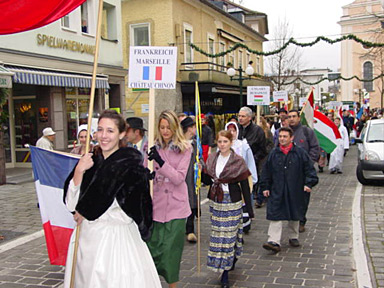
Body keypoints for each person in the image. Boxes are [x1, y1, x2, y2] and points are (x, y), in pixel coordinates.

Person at [63, 110, 161, 288]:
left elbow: (135, 211)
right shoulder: (89, 162)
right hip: (86, 240)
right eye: (100, 130)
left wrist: (89, 211)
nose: (103, 136)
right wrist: (79, 171)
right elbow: (71, 204)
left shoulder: (132, 168)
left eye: (110, 131)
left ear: (122, 134)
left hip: (116, 241)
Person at [146, 110, 192, 288]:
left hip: (176, 207)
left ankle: (173, 285)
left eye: (169, 127)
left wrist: (161, 163)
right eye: (162, 127)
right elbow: (146, 168)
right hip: (156, 206)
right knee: (153, 249)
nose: (165, 131)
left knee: (171, 252)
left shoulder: (185, 148)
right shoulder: (153, 147)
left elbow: (179, 178)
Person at [203, 130, 254, 288]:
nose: (222, 145)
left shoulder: (238, 161)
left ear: (231, 142)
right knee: (218, 235)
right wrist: (199, 170)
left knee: (229, 236)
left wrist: (250, 211)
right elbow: (207, 179)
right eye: (219, 142)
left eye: (225, 141)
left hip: (232, 202)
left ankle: (225, 272)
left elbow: (245, 185)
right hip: (216, 202)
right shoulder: (212, 159)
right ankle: (227, 260)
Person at [260, 127, 318, 253]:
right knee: (275, 213)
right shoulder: (274, 154)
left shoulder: (300, 153)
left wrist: (309, 183)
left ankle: (293, 236)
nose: (282, 139)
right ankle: (273, 240)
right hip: (277, 188)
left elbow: (309, 170)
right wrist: (265, 186)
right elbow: (266, 172)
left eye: (285, 136)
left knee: (294, 212)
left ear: (291, 138)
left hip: (295, 187)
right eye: (280, 136)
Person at [288, 109, 319, 233]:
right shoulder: (284, 132)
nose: (291, 119)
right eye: (289, 116)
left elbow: (315, 147)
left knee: (302, 197)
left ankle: (301, 220)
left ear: (298, 118)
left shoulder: (306, 132)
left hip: (303, 171)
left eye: (294, 116)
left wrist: (308, 163)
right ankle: (291, 218)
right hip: (288, 171)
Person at [225, 122, 257, 233]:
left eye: (233, 130)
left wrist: (252, 178)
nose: (231, 133)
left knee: (244, 201)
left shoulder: (243, 145)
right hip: (229, 181)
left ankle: (244, 224)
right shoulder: (224, 146)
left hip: (242, 178)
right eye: (229, 130)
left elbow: (250, 162)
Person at [237, 106, 267, 206]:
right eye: (239, 116)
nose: (240, 118)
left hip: (251, 164)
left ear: (249, 118)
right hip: (236, 165)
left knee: (248, 188)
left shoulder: (258, 131)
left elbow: (263, 149)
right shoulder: (236, 129)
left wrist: (253, 160)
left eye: (243, 116)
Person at [181, 116, 199, 243]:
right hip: (183, 176)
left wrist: (200, 165)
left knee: (193, 200)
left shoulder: (195, 143)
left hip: (193, 176)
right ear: (189, 128)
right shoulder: (179, 144)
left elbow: (199, 158)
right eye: (194, 127)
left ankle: (190, 229)